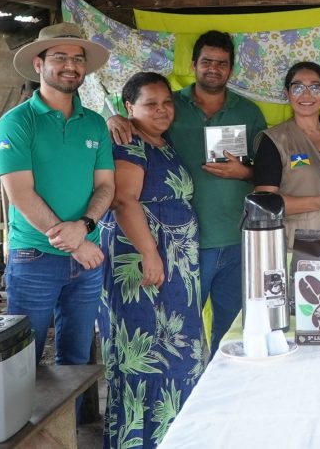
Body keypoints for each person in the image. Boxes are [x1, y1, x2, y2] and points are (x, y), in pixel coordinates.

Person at [109, 30, 267, 357]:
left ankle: (229, 398)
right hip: (184, 248)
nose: (213, 69)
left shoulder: (248, 112)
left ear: (231, 69)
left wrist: (245, 170)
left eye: (222, 63)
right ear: (193, 65)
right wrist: (112, 118)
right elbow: (135, 125)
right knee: (181, 330)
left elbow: (267, 165)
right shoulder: (169, 104)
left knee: (233, 330)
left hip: (237, 238)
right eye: (206, 61)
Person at [0, 22, 115, 365]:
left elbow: (106, 185)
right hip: (35, 257)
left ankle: (73, 422)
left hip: (87, 255)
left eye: (78, 58)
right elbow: (20, 194)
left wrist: (86, 225)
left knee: (77, 360)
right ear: (38, 64)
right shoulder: (16, 123)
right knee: (21, 359)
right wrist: (76, 241)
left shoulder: (94, 124)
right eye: (59, 57)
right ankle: (23, 422)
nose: (70, 65)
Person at [98, 72, 204, 449]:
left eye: (166, 103)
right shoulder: (129, 144)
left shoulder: (161, 142)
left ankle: (176, 437)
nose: (161, 110)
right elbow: (124, 200)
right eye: (150, 104)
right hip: (144, 265)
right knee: (147, 356)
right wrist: (149, 254)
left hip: (174, 270)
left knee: (177, 353)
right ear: (129, 108)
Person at [254, 61, 320, 246]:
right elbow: (265, 204)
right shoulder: (274, 140)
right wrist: (317, 203)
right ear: (287, 93)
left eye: (315, 87)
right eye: (298, 87)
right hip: (297, 245)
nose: (306, 94)